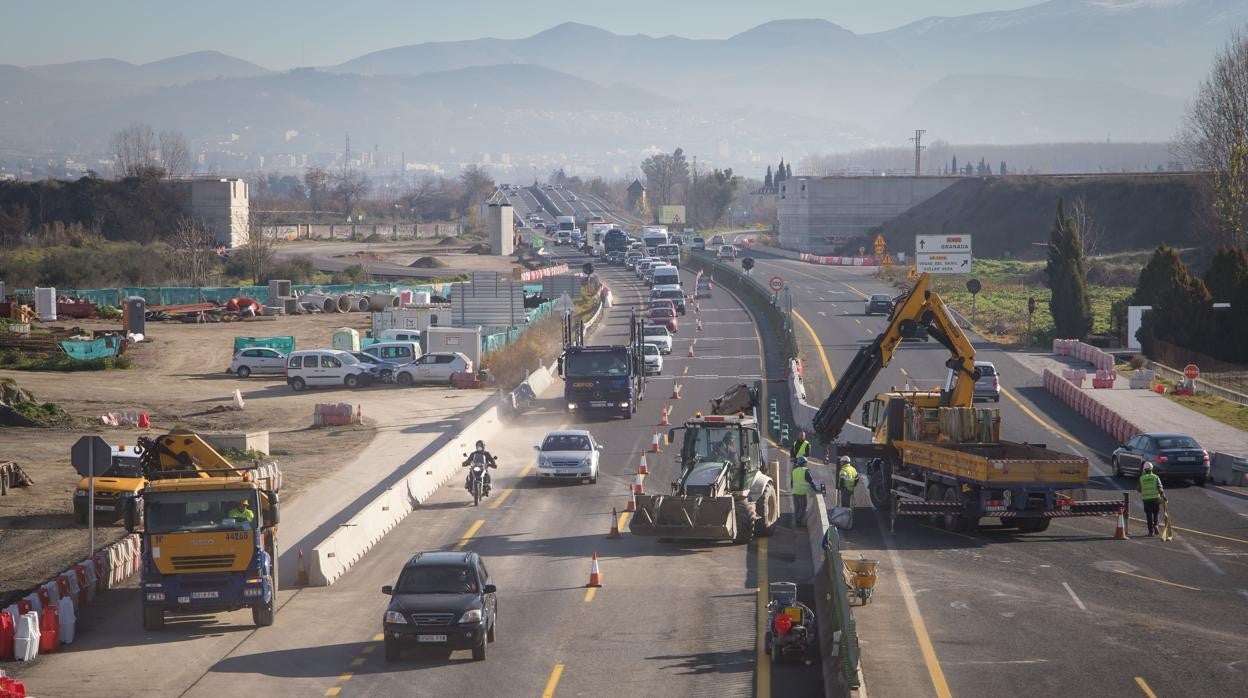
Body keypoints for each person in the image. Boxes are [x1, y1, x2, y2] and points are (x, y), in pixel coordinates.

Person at [791, 456, 820, 527]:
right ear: (804, 463)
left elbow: (791, 482)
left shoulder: (794, 470)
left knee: (797, 507)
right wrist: (816, 489)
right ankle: (798, 520)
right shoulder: (806, 471)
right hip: (801, 492)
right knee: (803, 507)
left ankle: (797, 520)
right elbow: (811, 481)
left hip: (794, 492)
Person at [1139, 462, 1166, 536]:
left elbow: (1138, 489)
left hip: (1146, 500)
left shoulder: (1142, 478)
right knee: (1156, 513)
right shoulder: (1155, 477)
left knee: (1148, 515)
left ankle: (1150, 531)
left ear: (1144, 470)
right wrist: (1163, 496)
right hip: (1155, 499)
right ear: (1152, 469)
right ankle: (1156, 525)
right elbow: (1160, 488)